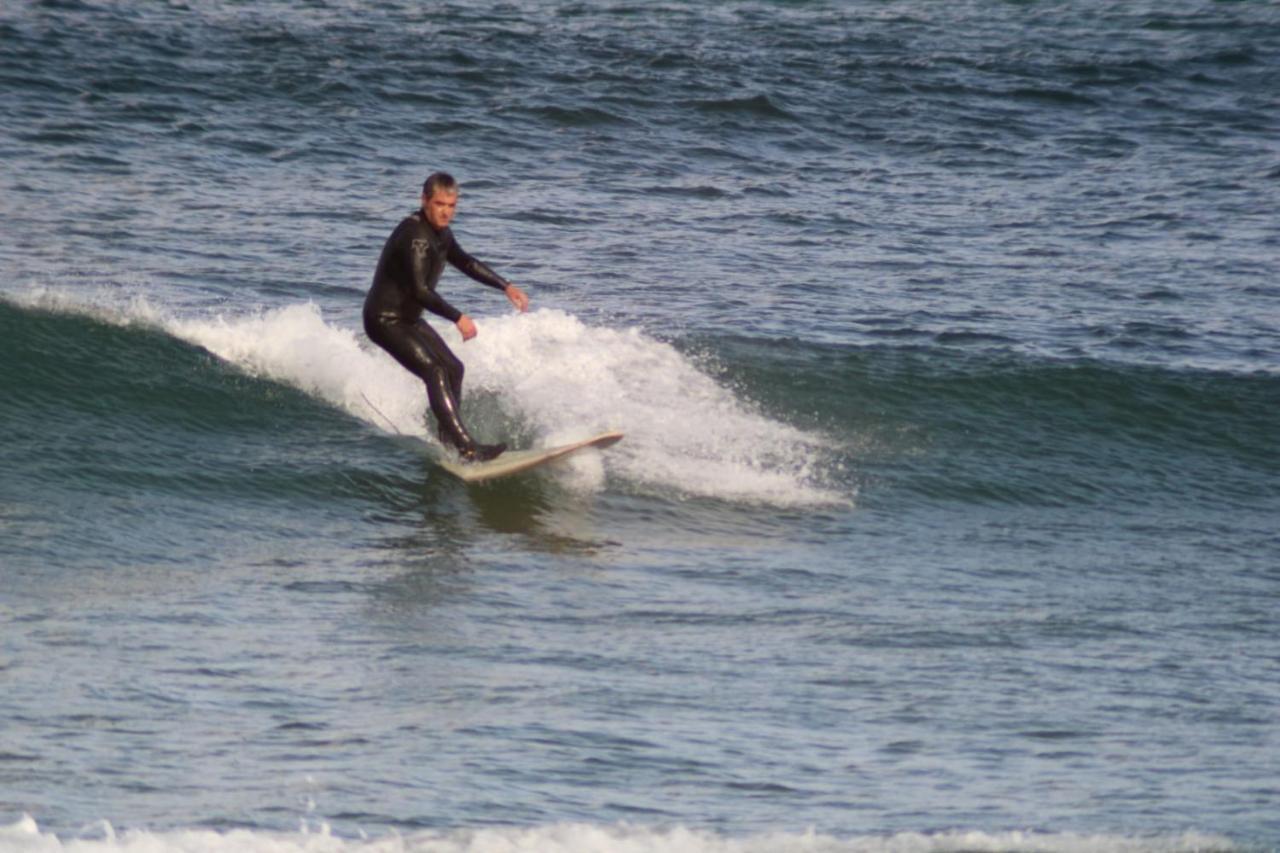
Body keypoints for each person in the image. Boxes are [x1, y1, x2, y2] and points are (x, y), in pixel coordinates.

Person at [364, 172, 530, 462]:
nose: (446, 212)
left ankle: (448, 441)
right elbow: (420, 290)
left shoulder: (442, 234)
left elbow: (465, 262)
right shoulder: (414, 236)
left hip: (409, 319)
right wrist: (457, 317)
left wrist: (505, 285)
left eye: (452, 205)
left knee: (454, 368)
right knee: (435, 371)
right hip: (384, 320)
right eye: (439, 204)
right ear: (424, 200)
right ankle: (466, 446)